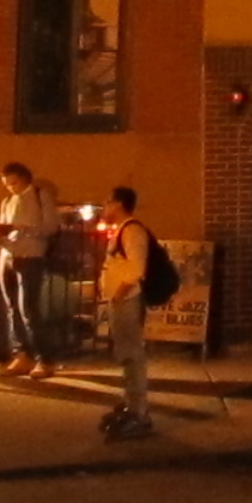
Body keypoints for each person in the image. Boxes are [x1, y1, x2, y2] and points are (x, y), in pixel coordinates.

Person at [0, 161, 57, 379]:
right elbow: (4, 228)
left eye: (14, 183)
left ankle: (45, 358)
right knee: (12, 308)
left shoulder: (39, 195)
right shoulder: (7, 201)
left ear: (25, 178)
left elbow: (50, 227)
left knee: (29, 310)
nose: (10, 188)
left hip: (30, 256)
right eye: (7, 184)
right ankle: (22, 354)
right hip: (7, 256)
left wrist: (19, 228)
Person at [98, 186, 153, 440]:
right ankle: (130, 405)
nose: (105, 207)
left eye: (108, 202)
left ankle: (139, 413)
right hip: (119, 300)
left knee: (132, 355)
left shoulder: (132, 230)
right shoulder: (120, 230)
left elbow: (137, 269)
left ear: (119, 204)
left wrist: (119, 294)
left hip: (126, 301)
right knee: (125, 354)